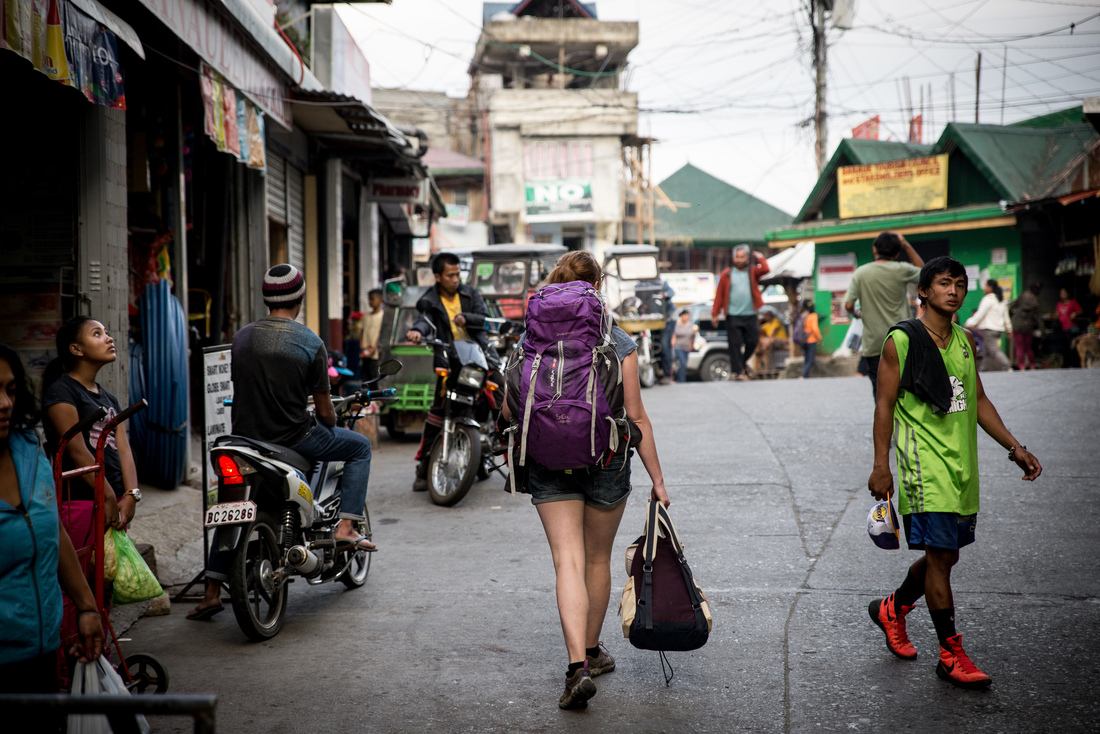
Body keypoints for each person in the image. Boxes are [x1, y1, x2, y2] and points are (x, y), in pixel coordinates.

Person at [503, 251, 670, 709]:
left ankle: (575, 665)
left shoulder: (530, 338)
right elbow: (637, 417)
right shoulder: (617, 340)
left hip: (546, 460)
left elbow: (509, 407)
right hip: (607, 458)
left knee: (567, 562)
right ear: (597, 287)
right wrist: (658, 479)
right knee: (597, 560)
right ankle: (593, 652)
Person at [866, 257, 1042, 690]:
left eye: (960, 284)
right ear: (922, 291)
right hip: (924, 467)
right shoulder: (901, 341)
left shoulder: (965, 341)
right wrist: (879, 465)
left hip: (963, 466)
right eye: (944, 283)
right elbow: (884, 405)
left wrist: (1014, 447)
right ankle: (951, 654)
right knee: (942, 558)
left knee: (945, 556)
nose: (954, 291)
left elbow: (978, 399)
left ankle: (893, 609)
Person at [189, 264, 374, 620]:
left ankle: (211, 592)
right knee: (358, 447)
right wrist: (330, 418)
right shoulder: (309, 342)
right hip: (295, 438)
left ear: (266, 298)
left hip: (242, 440)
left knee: (232, 505)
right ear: (300, 299)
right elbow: (324, 412)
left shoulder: (242, 337)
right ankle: (347, 526)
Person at [1, 344, 103, 696]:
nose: (4, 404)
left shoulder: (28, 448)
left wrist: (87, 608)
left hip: (43, 650)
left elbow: (53, 532)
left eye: (10, 390)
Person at [42, 317, 141, 540]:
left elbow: (124, 449)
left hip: (114, 502)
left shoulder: (110, 399)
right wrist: (106, 496)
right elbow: (76, 451)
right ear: (76, 349)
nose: (109, 338)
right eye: (97, 334)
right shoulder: (62, 393)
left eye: (106, 332)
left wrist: (131, 495)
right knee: (85, 571)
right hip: (81, 503)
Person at [405, 252, 490, 492]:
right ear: (438, 277)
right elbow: (425, 321)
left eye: (457, 274)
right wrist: (417, 332)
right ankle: (423, 467)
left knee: (498, 395)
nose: (455, 279)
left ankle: (498, 450)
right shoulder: (429, 300)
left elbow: (483, 319)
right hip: (448, 361)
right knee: (438, 412)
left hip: (476, 358)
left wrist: (467, 318)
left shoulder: (471, 294)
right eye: (450, 275)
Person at [844, 232, 924, 398]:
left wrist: (856, 314)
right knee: (907, 391)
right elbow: (925, 272)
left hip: (874, 345)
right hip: (902, 340)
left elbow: (848, 304)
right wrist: (906, 244)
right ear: (896, 253)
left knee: (881, 394)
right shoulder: (901, 269)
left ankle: (884, 423)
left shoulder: (861, 272)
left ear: (875, 249)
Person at [710, 244, 771, 381]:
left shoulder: (752, 271)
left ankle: (741, 364)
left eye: (742, 257)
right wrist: (715, 314)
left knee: (753, 341)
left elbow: (766, 269)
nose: (739, 260)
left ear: (747, 258)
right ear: (733, 258)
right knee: (735, 344)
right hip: (732, 315)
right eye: (737, 257)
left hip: (750, 314)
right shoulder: (727, 274)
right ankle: (738, 372)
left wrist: (761, 258)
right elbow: (719, 295)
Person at [965, 279, 1011, 372]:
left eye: (985, 286)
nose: (984, 288)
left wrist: (969, 323)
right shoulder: (1001, 300)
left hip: (989, 330)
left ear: (990, 287)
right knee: (987, 351)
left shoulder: (988, 299)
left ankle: (1007, 366)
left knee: (994, 351)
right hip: (997, 330)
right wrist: (1009, 329)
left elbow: (980, 314)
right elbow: (1006, 317)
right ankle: (983, 369)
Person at [1009, 283, 1041, 371]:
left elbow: (1012, 306)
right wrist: (1042, 330)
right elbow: (1038, 317)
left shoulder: (1023, 296)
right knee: (1028, 347)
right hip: (1028, 325)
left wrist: (1012, 315)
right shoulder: (1035, 302)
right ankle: (1032, 365)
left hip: (1017, 323)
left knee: (1019, 347)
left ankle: (1021, 365)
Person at [359, 288, 385, 381]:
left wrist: (374, 348)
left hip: (376, 355)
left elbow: (382, 334)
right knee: (365, 380)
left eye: (372, 299)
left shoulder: (383, 316)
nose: (370, 301)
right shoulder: (365, 316)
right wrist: (363, 348)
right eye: (369, 299)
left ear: (381, 299)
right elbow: (362, 332)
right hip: (365, 354)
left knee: (375, 380)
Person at [753, 310, 788, 375]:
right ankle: (758, 368)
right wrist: (758, 322)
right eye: (765, 316)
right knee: (761, 344)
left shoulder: (776, 321)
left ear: (771, 316)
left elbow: (772, 334)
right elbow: (760, 332)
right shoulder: (766, 325)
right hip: (769, 343)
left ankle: (762, 352)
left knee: (769, 341)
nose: (765, 317)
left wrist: (765, 341)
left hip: (781, 340)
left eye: (767, 316)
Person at [795, 300, 822, 379]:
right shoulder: (813, 315)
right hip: (811, 340)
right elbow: (815, 328)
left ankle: (805, 375)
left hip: (804, 340)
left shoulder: (805, 315)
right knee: (810, 359)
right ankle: (804, 375)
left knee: (806, 358)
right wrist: (819, 337)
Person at [672, 308, 696, 383]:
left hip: (687, 347)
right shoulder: (677, 324)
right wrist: (673, 343)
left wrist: (692, 345)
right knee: (682, 363)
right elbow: (674, 335)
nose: (686, 317)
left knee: (684, 364)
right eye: (685, 315)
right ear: (681, 316)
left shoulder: (690, 324)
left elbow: (692, 336)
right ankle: (681, 380)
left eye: (687, 315)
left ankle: (681, 379)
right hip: (678, 346)